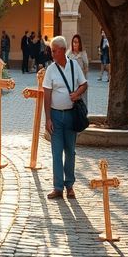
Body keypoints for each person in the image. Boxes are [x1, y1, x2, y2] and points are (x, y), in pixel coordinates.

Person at [44, 36, 87, 199]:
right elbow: (46, 95)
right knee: (56, 152)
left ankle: (70, 185)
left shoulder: (74, 66)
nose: (52, 53)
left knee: (70, 151)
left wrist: (77, 93)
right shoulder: (51, 69)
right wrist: (47, 118)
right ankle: (58, 187)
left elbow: (84, 84)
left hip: (71, 115)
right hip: (55, 116)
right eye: (52, 51)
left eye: (54, 51)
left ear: (62, 50)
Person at [67, 33, 89, 107]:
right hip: (71, 80)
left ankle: (83, 114)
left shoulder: (83, 53)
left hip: (81, 80)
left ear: (80, 43)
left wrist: (84, 79)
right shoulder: (69, 54)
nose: (75, 44)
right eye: (73, 42)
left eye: (76, 42)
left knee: (82, 99)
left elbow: (86, 67)